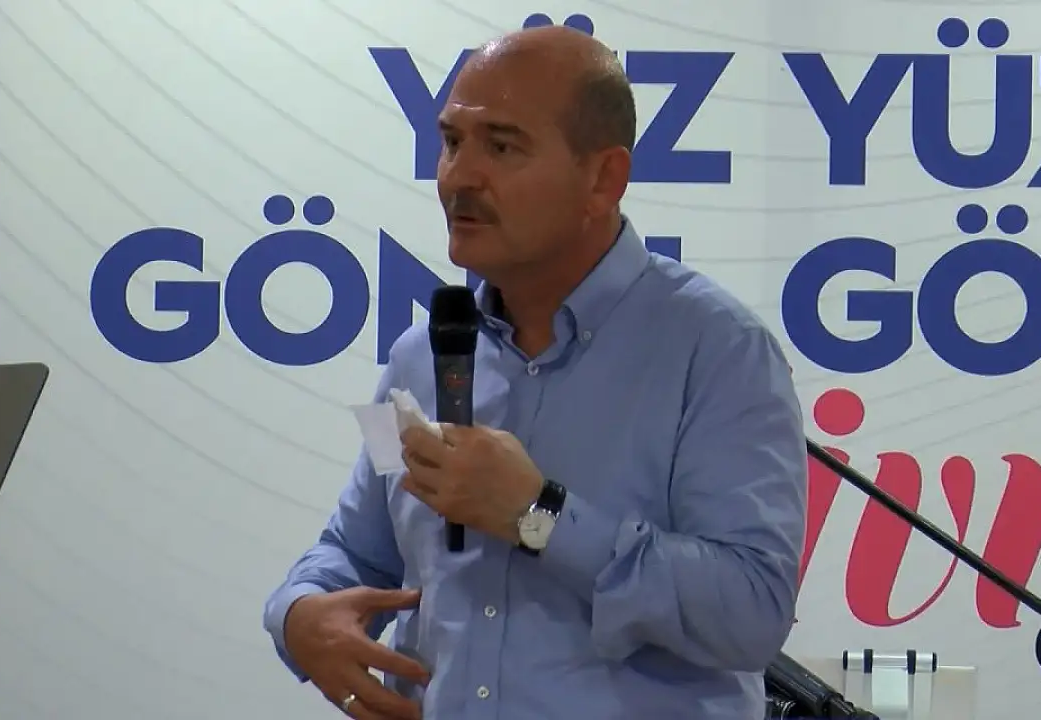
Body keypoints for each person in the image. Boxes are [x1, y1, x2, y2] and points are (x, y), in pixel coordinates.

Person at [263, 24, 806, 720]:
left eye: (501, 146)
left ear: (603, 179)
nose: (458, 177)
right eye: (451, 141)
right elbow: (356, 551)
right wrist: (299, 614)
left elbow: (752, 612)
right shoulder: (419, 357)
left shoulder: (718, 351)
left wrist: (537, 514)